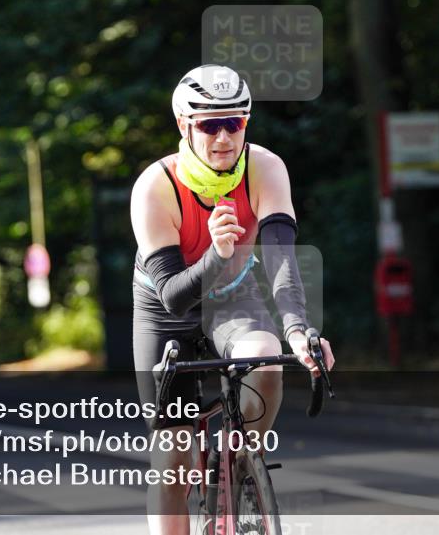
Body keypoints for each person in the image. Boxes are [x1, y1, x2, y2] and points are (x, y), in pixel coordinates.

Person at [130, 64, 335, 535]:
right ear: (184, 125)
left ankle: (243, 463)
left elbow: (281, 261)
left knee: (266, 358)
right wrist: (217, 256)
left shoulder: (265, 168)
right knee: (173, 458)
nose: (223, 137)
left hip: (233, 300)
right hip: (167, 311)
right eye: (209, 124)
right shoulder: (155, 187)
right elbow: (175, 297)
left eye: (235, 123)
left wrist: (298, 330)